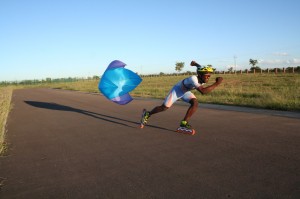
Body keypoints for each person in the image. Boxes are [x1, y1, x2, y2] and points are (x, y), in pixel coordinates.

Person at [140, 60, 223, 135]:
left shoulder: (201, 76)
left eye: (209, 76)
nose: (208, 78)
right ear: (200, 75)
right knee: (164, 107)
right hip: (177, 90)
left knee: (195, 103)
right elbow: (203, 91)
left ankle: (183, 124)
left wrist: (195, 64)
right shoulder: (193, 79)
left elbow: (199, 67)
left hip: (186, 91)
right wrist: (217, 83)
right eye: (206, 76)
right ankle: (147, 114)